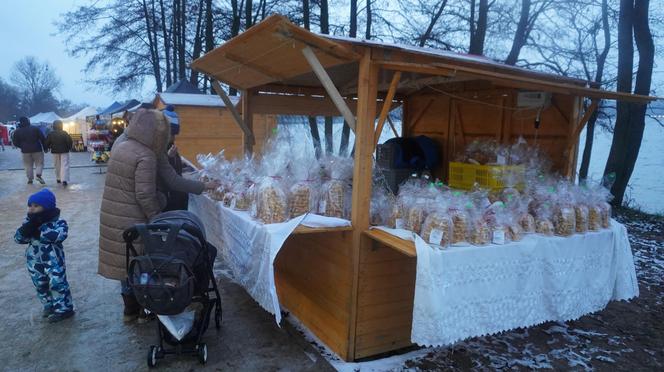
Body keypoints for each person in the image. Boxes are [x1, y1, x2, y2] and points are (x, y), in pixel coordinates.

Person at [99, 109, 172, 322]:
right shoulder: (145, 155)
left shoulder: (122, 146)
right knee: (141, 263)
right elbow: (144, 195)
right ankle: (143, 310)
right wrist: (158, 217)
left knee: (125, 263)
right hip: (133, 219)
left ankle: (129, 310)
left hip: (114, 217)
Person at [14, 188, 75, 323]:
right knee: (40, 284)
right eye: (30, 206)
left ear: (46, 207)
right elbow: (18, 239)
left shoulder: (58, 222)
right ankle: (49, 305)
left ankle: (64, 309)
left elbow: (59, 236)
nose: (32, 209)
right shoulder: (28, 223)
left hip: (53, 261)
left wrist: (38, 232)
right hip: (34, 261)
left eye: (36, 206)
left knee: (57, 283)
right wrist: (25, 230)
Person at [162, 105, 189, 211]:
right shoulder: (158, 147)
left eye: (174, 134)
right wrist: (169, 157)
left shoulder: (169, 144)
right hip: (169, 197)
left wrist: (181, 164)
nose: (173, 138)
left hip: (177, 195)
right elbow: (160, 170)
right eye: (171, 134)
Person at [12, 117, 46, 184]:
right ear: (28, 121)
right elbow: (42, 138)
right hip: (37, 149)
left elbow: (14, 142)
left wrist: (21, 146)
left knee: (28, 165)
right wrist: (45, 147)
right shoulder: (35, 128)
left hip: (25, 151)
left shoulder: (17, 131)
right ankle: (38, 175)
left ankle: (30, 179)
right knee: (39, 163)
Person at [45, 120, 73, 187]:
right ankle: (64, 180)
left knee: (56, 165)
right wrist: (69, 148)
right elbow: (69, 141)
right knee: (64, 165)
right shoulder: (64, 133)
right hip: (64, 151)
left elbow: (47, 142)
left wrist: (47, 148)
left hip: (54, 151)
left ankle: (58, 178)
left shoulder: (51, 133)